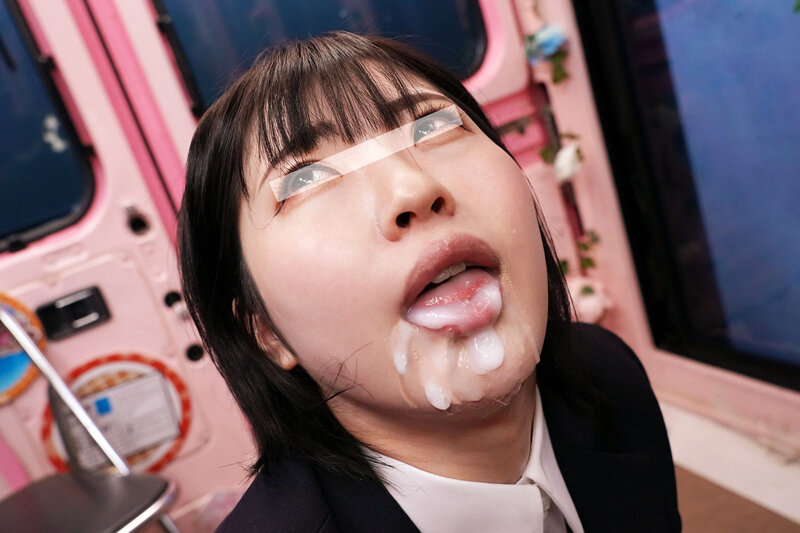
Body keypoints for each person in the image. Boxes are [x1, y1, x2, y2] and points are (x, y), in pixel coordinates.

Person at [178, 32, 681, 532]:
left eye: (433, 125)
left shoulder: (608, 373)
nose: (413, 189)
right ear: (264, 330)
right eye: (305, 178)